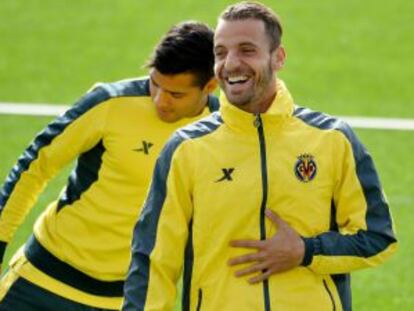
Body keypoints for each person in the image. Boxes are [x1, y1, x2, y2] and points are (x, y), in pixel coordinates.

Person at [122, 2, 398, 311]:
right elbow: (152, 259)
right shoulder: (186, 149)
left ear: (278, 57)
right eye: (221, 52)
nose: (231, 63)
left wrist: (306, 251)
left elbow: (377, 237)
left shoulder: (332, 140)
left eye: (246, 50)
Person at [0, 21, 218, 311]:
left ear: (210, 85)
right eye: (155, 84)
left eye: (176, 94)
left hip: (123, 299)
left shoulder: (222, 130)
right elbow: (35, 166)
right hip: (40, 281)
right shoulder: (110, 103)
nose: (159, 101)